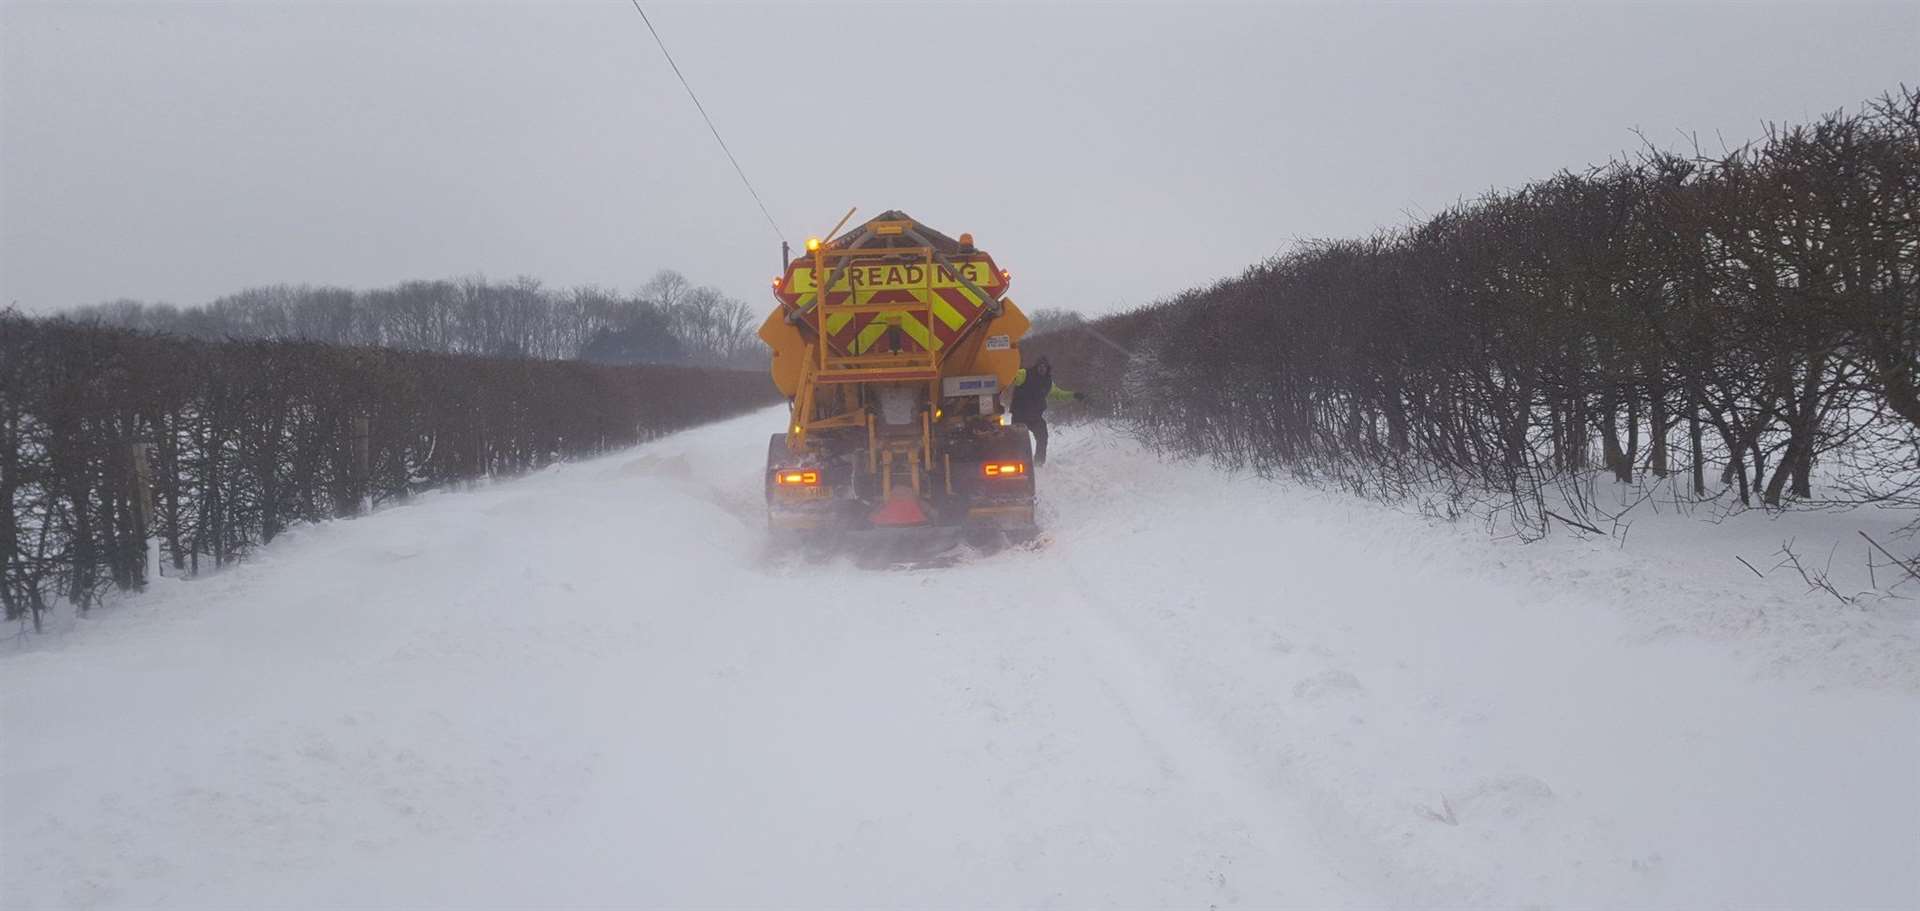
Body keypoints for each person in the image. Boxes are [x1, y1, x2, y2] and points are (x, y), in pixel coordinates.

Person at [1007, 355, 1084, 465]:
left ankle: (1039, 462)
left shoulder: (1048, 382)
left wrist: (1074, 395)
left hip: (1035, 417)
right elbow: (1010, 376)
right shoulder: (1024, 374)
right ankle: (1015, 462)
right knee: (1017, 440)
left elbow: (1059, 394)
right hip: (1020, 416)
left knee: (1043, 436)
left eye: (1044, 367)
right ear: (1036, 367)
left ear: (1048, 368)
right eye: (1040, 366)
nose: (1042, 369)